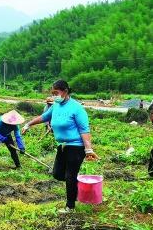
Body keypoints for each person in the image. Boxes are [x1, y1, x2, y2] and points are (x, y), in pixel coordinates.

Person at [22, 80, 99, 214]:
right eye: (52, 93)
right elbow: (44, 117)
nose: (54, 96)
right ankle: (75, 184)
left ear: (65, 91)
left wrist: (88, 149)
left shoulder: (76, 108)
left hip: (75, 147)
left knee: (70, 176)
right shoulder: (56, 106)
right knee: (57, 174)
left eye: (56, 93)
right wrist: (28, 124)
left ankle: (70, 207)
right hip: (62, 146)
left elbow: (84, 129)